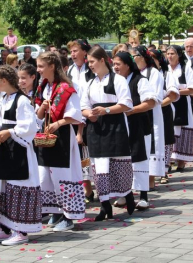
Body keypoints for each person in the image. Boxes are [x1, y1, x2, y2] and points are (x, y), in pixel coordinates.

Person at [0, 65, 42, 245]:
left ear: (4, 81)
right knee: (3, 185)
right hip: (5, 148)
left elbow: (30, 127)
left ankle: (21, 231)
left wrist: (9, 133)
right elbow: (2, 121)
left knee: (18, 184)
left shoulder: (22, 101)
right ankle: (4, 228)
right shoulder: (4, 98)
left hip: (19, 149)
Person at [80, 47, 134, 221]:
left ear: (102, 60)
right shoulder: (90, 83)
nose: (90, 66)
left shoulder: (118, 80)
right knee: (99, 168)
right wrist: (90, 114)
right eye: (88, 62)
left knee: (119, 165)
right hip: (96, 128)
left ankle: (128, 194)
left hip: (115, 125)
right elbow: (83, 106)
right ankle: (105, 206)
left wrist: (107, 110)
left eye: (92, 62)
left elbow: (126, 104)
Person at [34, 52, 85, 231]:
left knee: (62, 176)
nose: (38, 70)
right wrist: (42, 108)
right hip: (45, 135)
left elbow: (75, 114)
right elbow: (38, 114)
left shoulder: (66, 87)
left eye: (41, 66)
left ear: (52, 66)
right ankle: (55, 211)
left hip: (62, 135)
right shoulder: (43, 87)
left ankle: (68, 216)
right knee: (45, 176)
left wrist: (58, 123)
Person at [112, 51, 156, 210]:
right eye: (114, 64)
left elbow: (150, 102)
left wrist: (131, 110)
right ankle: (124, 194)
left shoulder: (140, 80)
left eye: (118, 64)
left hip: (137, 125)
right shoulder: (115, 81)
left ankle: (144, 195)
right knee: (123, 159)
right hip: (121, 127)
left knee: (139, 159)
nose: (115, 67)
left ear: (128, 65)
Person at [131, 46, 165, 193]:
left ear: (143, 57)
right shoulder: (133, 74)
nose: (132, 58)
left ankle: (150, 181)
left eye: (134, 55)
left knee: (152, 145)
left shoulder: (154, 73)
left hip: (151, 114)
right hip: (136, 115)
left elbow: (156, 96)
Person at [66, 39, 95, 202]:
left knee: (90, 156)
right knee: (80, 156)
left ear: (85, 52)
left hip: (90, 115)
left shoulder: (91, 70)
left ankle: (98, 188)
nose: (73, 54)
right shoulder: (70, 70)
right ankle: (87, 190)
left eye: (76, 50)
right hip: (76, 116)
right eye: (71, 51)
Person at [149, 49, 179, 184]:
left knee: (166, 140)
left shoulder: (167, 74)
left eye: (154, 58)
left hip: (164, 109)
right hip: (148, 111)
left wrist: (157, 105)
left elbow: (172, 95)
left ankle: (164, 170)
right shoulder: (145, 74)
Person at [167, 45, 193, 172]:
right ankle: (169, 160)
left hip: (182, 103)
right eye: (168, 53)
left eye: (172, 53)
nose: (169, 56)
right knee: (170, 130)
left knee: (182, 129)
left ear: (179, 55)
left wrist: (177, 92)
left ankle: (181, 161)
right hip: (168, 103)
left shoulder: (185, 68)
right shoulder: (165, 70)